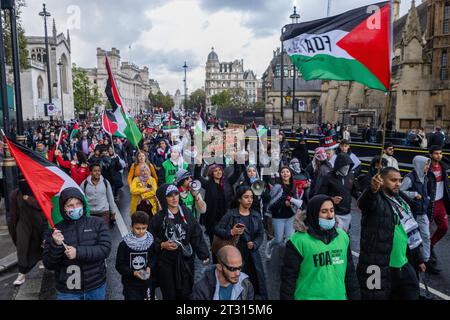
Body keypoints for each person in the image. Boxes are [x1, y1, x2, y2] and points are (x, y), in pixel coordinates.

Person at [357, 167, 426, 300]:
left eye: (399, 180)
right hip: (377, 267)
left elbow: (410, 231)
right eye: (393, 180)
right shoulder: (375, 199)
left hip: (404, 265)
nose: (398, 184)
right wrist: (371, 190)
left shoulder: (401, 199)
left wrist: (419, 258)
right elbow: (364, 204)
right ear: (381, 181)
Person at [280, 195, 360, 300]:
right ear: (314, 213)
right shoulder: (298, 241)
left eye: (332, 210)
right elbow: (289, 279)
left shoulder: (343, 237)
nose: (330, 215)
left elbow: (350, 275)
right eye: (324, 211)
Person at [42, 187, 112, 300]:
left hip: (96, 286)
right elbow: (49, 264)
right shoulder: (56, 231)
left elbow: (105, 249)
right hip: (67, 292)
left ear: (83, 204)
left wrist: (78, 252)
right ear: (63, 208)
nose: (75, 208)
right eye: (70, 205)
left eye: (78, 203)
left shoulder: (97, 223)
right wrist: (56, 245)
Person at [150, 184, 209, 300]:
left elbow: (196, 232)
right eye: (170, 196)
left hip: (185, 261)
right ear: (163, 198)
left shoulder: (186, 212)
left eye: (176, 194)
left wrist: (203, 253)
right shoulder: (158, 217)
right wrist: (162, 244)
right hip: (166, 262)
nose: (174, 198)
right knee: (169, 294)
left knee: (186, 292)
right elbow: (150, 237)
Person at [214, 186, 267, 299]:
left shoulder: (256, 214)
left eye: (251, 197)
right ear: (239, 199)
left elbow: (260, 234)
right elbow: (217, 229)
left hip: (252, 256)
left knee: (254, 283)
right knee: (235, 283)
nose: (249, 200)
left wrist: (255, 244)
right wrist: (231, 232)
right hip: (235, 254)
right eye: (246, 197)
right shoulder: (231, 214)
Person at [400, 156, 435, 274]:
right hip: (412, 213)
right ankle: (410, 258)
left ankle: (425, 259)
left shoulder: (425, 177)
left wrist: (427, 199)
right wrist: (413, 194)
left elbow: (426, 191)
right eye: (426, 164)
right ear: (419, 165)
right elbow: (400, 191)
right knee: (411, 237)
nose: (428, 167)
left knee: (426, 235)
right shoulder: (409, 178)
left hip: (422, 212)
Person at [9, 177, 45, 286]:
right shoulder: (15, 194)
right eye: (20, 179)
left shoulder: (38, 190)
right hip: (23, 224)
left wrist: (29, 199)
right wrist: (13, 229)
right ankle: (22, 273)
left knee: (41, 244)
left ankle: (44, 260)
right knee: (22, 247)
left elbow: (44, 205)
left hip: (38, 223)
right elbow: (13, 214)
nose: (23, 182)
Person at [316, 153, 361, 232]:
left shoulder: (351, 175)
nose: (346, 168)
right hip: (335, 213)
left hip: (347, 212)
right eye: (344, 165)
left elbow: (355, 191)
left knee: (345, 234)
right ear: (339, 165)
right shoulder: (328, 177)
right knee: (336, 235)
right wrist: (331, 199)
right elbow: (319, 195)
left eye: (348, 165)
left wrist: (361, 198)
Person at [115, 211, 155, 300]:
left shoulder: (151, 242)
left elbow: (154, 258)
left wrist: (149, 267)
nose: (141, 231)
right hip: (130, 285)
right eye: (137, 228)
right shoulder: (124, 244)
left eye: (144, 228)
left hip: (147, 283)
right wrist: (133, 273)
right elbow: (119, 265)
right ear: (131, 227)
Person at [265, 166, 300, 259]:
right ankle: (269, 245)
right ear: (280, 174)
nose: (285, 173)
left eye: (287, 171)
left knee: (289, 239)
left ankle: (286, 256)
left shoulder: (294, 185)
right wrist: (284, 203)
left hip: (290, 216)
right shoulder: (277, 186)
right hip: (278, 216)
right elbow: (271, 203)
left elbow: (297, 199)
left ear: (290, 174)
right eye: (283, 172)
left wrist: (293, 204)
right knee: (278, 239)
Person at [427, 145, 450, 271]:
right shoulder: (426, 167)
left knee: (444, 227)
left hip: (440, 203)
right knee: (425, 232)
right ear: (430, 154)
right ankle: (428, 259)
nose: (439, 155)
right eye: (436, 153)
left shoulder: (443, 166)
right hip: (430, 204)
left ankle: (431, 244)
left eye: (441, 153)